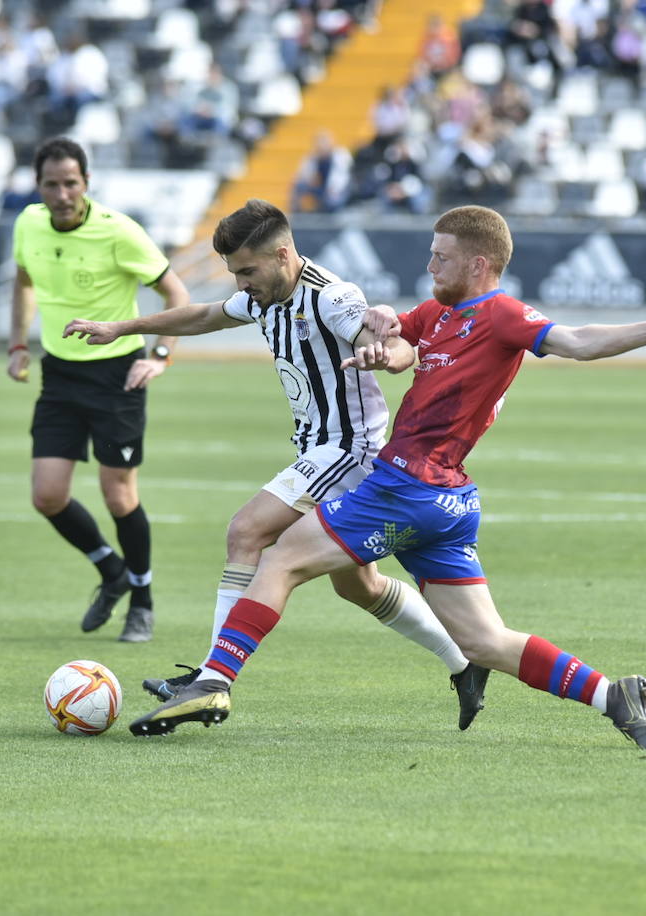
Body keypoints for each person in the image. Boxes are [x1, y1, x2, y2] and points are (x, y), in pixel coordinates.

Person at [131, 205, 646, 750]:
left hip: (406, 487)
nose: (428, 265)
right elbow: (400, 345)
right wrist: (382, 343)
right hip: (448, 499)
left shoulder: (501, 314)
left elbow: (578, 342)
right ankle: (614, 695)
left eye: (440, 257)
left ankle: (214, 680)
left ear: (477, 264)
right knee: (484, 641)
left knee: (278, 555)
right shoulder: (437, 314)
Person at [63, 199, 489, 728]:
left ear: (283, 254)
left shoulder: (330, 296)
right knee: (361, 587)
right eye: (234, 273)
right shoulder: (263, 295)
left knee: (246, 532)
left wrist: (388, 354)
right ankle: (464, 661)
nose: (240, 283)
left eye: (246, 271)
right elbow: (205, 314)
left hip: (348, 448)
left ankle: (211, 679)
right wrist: (122, 327)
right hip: (320, 449)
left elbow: (390, 343)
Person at [8, 136, 190, 643]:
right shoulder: (28, 224)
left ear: (86, 183)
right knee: (47, 496)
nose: (61, 193)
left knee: (119, 495)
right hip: (59, 376)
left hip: (116, 377)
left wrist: (159, 354)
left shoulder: (119, 232)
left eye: (71, 183)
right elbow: (23, 281)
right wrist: (17, 344)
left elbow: (176, 293)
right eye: (51, 184)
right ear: (38, 185)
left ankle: (143, 598)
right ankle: (110, 570)